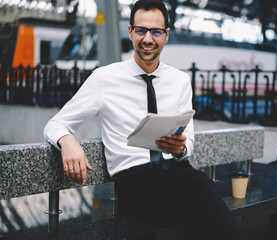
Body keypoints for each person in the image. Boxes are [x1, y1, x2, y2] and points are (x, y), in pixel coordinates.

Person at [44, 0, 247, 239]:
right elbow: (56, 123)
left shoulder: (180, 81)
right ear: (130, 32)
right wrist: (67, 141)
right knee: (202, 188)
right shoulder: (104, 78)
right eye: (141, 30)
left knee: (200, 194)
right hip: (135, 181)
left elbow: (188, 144)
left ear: (166, 35)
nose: (148, 39)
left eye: (156, 31)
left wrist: (181, 148)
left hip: (177, 174)